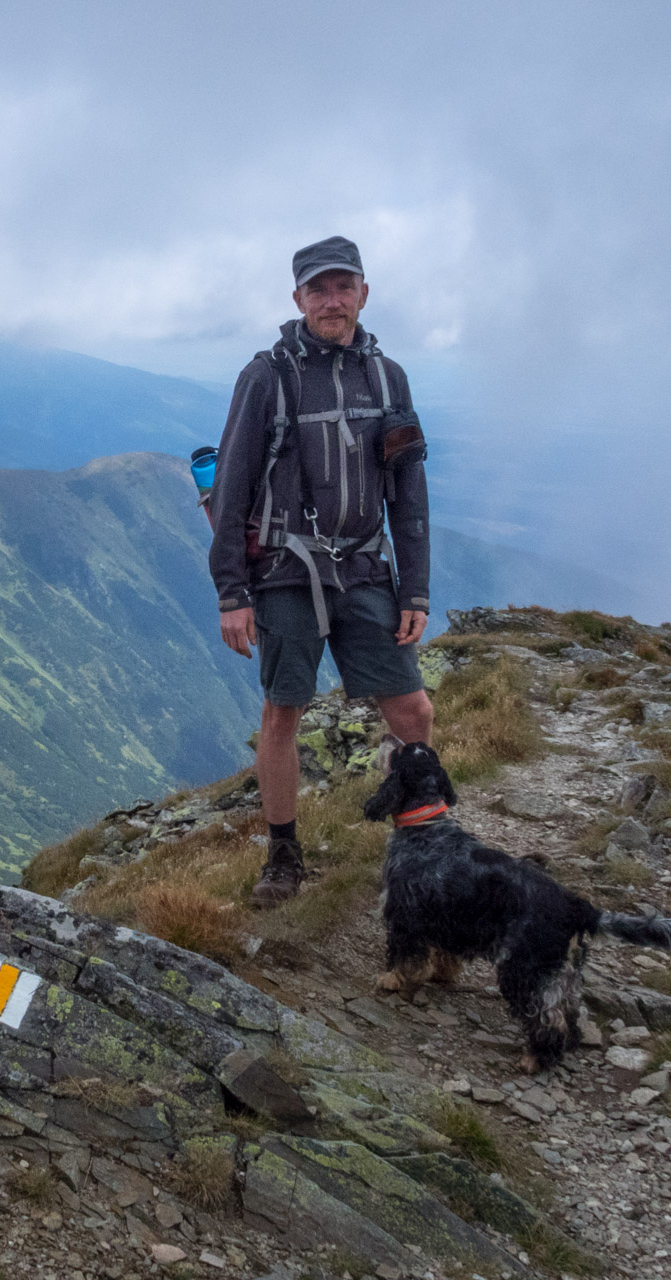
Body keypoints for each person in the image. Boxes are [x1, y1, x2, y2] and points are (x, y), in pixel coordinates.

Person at [207, 235, 436, 907]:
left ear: (363, 292)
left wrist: (416, 585)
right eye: (318, 290)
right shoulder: (267, 376)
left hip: (365, 569)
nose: (331, 301)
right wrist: (232, 592)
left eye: (343, 287)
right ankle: (283, 854)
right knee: (284, 713)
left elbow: (409, 491)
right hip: (284, 572)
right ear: (298, 298)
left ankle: (422, 835)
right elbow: (233, 487)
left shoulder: (389, 378)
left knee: (412, 709)